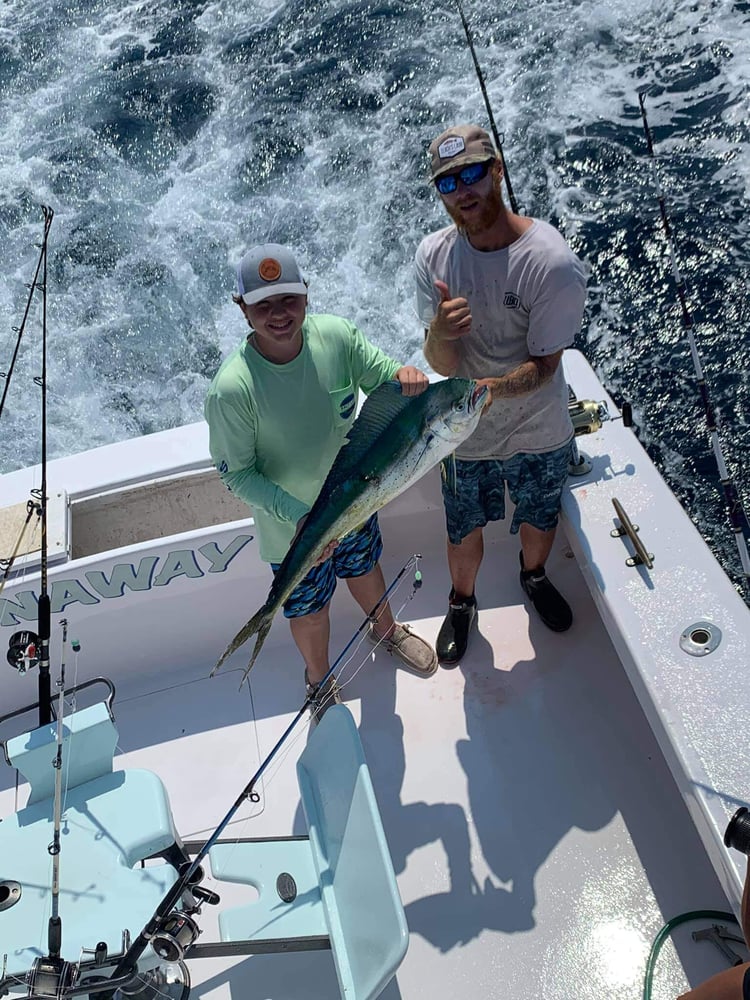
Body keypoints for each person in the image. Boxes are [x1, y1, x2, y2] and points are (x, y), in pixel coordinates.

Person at [205, 243, 437, 719]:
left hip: (356, 502)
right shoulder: (233, 388)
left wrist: (405, 376)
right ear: (242, 309)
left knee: (366, 568)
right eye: (263, 305)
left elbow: (383, 380)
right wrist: (298, 515)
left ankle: (386, 630)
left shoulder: (336, 337)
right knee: (308, 610)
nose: (278, 314)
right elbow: (236, 475)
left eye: (287, 299)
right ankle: (318, 680)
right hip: (292, 532)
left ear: (306, 296)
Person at [416, 123, 587, 665]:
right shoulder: (433, 257)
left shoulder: (551, 263)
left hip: (539, 427)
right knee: (462, 527)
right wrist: (440, 335)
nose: (462, 191)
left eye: (471, 174)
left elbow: (545, 366)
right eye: (448, 182)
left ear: (497, 171)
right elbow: (440, 363)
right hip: (464, 435)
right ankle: (462, 602)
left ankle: (532, 576)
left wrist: (489, 389)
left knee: (539, 517)